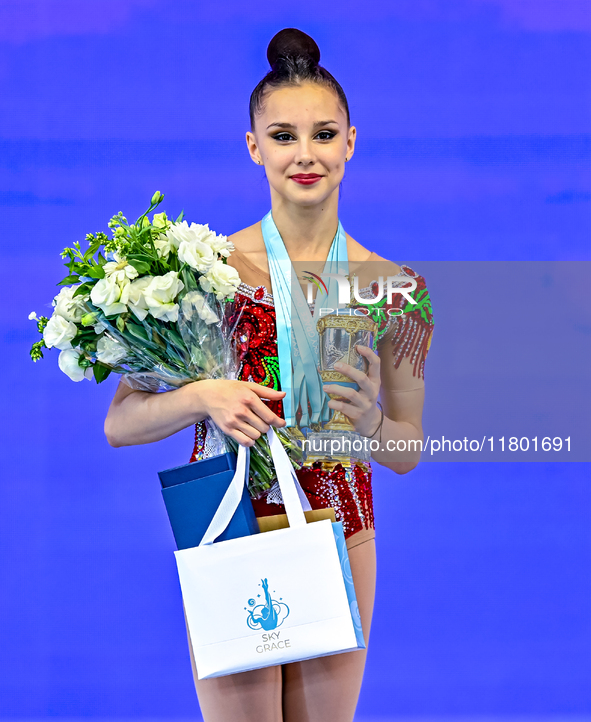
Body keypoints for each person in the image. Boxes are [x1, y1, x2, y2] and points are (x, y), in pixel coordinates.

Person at [104, 28, 434, 722]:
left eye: (323, 134)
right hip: (226, 523)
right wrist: (203, 396)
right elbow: (120, 423)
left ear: (350, 141)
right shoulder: (200, 275)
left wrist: (372, 419)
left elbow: (405, 451)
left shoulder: (396, 289)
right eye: (283, 136)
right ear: (254, 147)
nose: (305, 154)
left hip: (340, 528)